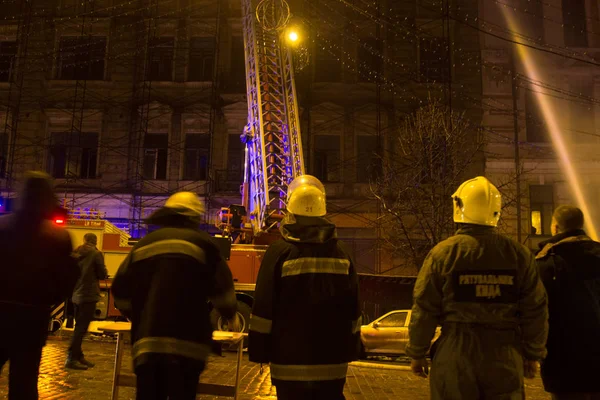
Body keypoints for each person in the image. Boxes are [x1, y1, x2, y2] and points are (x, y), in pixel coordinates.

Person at [406, 176, 549, 400]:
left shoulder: (443, 253)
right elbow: (535, 308)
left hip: (456, 352)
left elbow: (424, 308)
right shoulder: (518, 254)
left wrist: (417, 352)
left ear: (459, 206)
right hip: (504, 353)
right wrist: (533, 354)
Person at [111, 191, 239, 400]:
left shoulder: (144, 245)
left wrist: (137, 316)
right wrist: (229, 314)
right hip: (188, 348)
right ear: (194, 218)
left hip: (148, 346)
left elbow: (120, 291)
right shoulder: (204, 245)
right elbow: (224, 294)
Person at [248, 175, 361, 400]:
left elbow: (263, 308)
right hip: (333, 364)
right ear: (323, 212)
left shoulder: (278, 253)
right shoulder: (343, 254)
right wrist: (353, 348)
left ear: (291, 211)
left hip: (289, 364)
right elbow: (353, 309)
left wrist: (259, 350)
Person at [0, 171, 80, 399]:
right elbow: (67, 280)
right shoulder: (58, 236)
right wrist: (45, 301)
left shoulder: (1, 227)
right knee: (24, 383)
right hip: (31, 320)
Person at [535, 205, 600, 400]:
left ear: (555, 228)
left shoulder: (545, 265)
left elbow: (537, 312)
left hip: (562, 363)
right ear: (581, 226)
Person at [65, 232, 108, 370]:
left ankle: (78, 356)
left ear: (84, 240)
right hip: (88, 295)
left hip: (76, 295)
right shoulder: (96, 254)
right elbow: (102, 274)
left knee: (79, 326)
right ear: (95, 241)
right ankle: (71, 358)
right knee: (81, 329)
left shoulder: (75, 253)